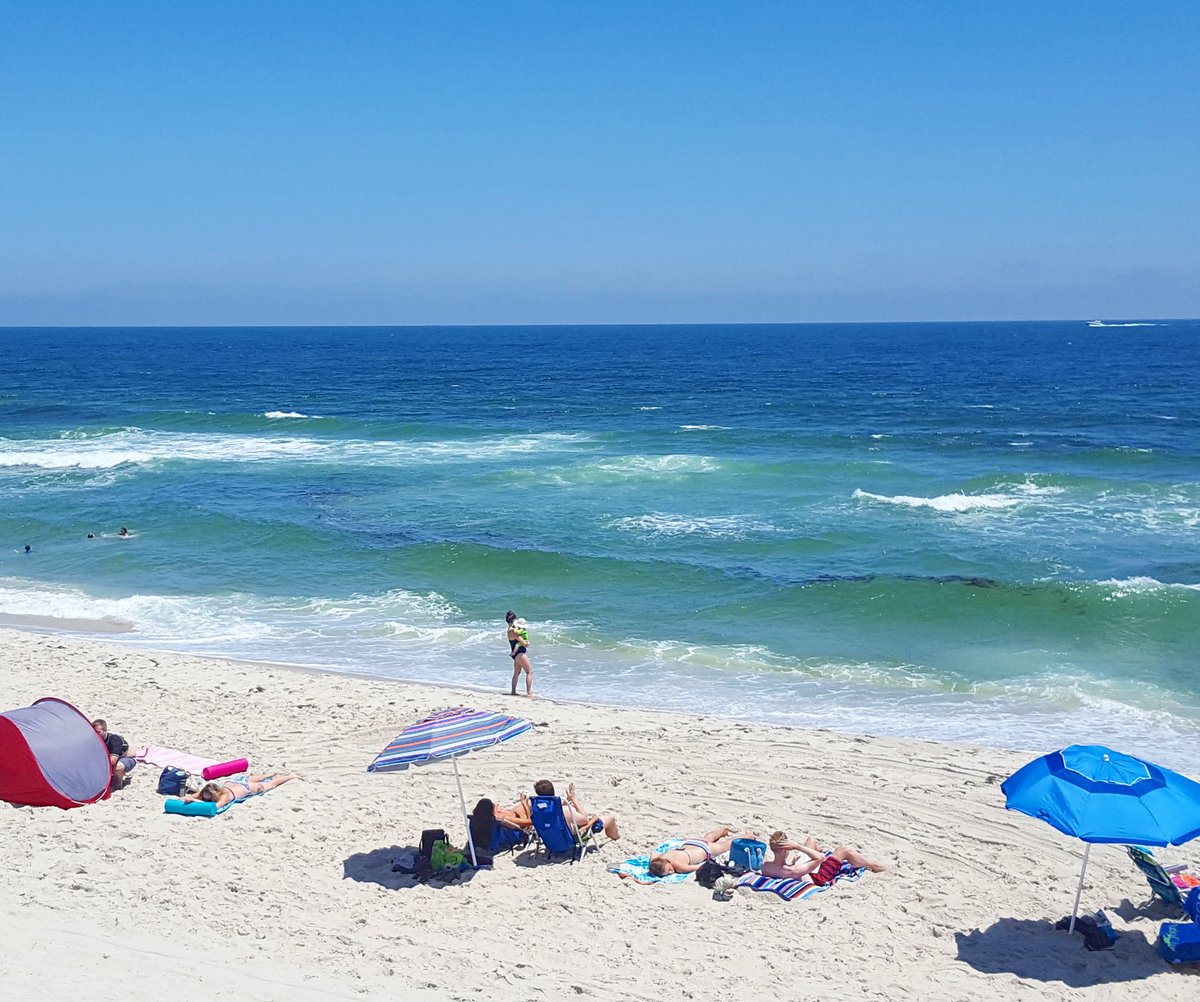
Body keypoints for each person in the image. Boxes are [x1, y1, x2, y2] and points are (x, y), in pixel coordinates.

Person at [761, 830, 886, 884]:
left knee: (811, 840)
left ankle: (820, 848)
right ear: (785, 850)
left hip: (802, 871)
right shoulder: (793, 870)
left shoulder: (766, 866)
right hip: (818, 877)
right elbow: (820, 858)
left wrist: (793, 861)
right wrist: (798, 847)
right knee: (844, 850)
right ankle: (874, 866)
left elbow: (782, 869)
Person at [648, 824, 753, 876]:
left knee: (725, 845)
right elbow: (653, 854)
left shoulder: (679, 867)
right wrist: (652, 864)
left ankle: (747, 836)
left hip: (704, 850)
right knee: (708, 838)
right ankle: (722, 831)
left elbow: (698, 867)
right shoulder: (661, 857)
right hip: (690, 843)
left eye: (669, 870)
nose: (671, 872)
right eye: (668, 873)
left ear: (667, 862)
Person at [532, 779, 620, 840]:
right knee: (610, 819)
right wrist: (573, 799)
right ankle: (616, 838)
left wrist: (567, 800)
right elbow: (584, 820)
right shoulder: (565, 810)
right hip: (569, 839)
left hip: (551, 840)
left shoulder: (536, 810)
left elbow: (553, 808)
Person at [181, 772, 300, 810]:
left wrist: (194, 801)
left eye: (207, 798)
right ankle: (268, 774)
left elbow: (216, 806)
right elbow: (193, 796)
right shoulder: (207, 790)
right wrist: (190, 798)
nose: (204, 798)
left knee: (271, 784)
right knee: (260, 777)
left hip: (247, 787)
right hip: (236, 782)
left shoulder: (225, 796)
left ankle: (290, 776)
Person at [92, 719, 136, 787]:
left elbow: (112, 760)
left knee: (117, 767)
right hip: (108, 759)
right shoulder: (93, 740)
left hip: (127, 758)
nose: (96, 735)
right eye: (94, 732)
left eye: (99, 732)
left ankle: (118, 782)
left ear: (105, 730)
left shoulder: (114, 740)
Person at [505, 610, 533, 697]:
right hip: (520, 653)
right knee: (529, 672)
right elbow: (524, 643)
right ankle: (529, 692)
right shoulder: (513, 631)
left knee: (516, 673)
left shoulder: (509, 630)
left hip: (516, 654)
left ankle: (513, 691)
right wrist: (527, 642)